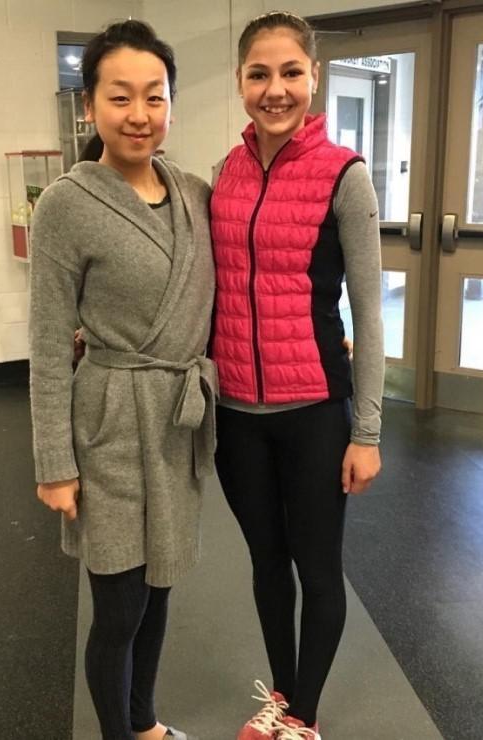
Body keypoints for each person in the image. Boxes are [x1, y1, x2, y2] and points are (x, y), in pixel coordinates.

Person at [28, 20, 216, 740]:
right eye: (120, 96)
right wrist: (54, 464)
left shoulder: (194, 193)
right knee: (119, 607)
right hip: (108, 422)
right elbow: (49, 344)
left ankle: (144, 723)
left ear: (171, 103)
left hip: (176, 422)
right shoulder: (66, 205)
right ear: (89, 106)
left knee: (160, 588)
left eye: (154, 96)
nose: (139, 114)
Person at [209, 11, 384, 740]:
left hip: (314, 410)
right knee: (265, 563)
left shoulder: (345, 174)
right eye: (259, 74)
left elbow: (369, 312)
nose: (274, 89)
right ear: (241, 81)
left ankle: (303, 718)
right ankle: (282, 695)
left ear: (313, 76)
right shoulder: (226, 173)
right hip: (237, 416)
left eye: (289, 72)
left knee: (317, 567)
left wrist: (366, 431)